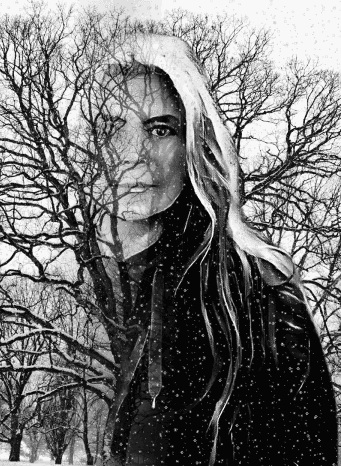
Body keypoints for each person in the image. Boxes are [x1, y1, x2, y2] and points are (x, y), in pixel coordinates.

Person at [92, 33, 338, 466]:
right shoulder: (120, 277)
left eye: (160, 129)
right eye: (112, 127)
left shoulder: (257, 294)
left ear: (193, 142)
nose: (134, 154)